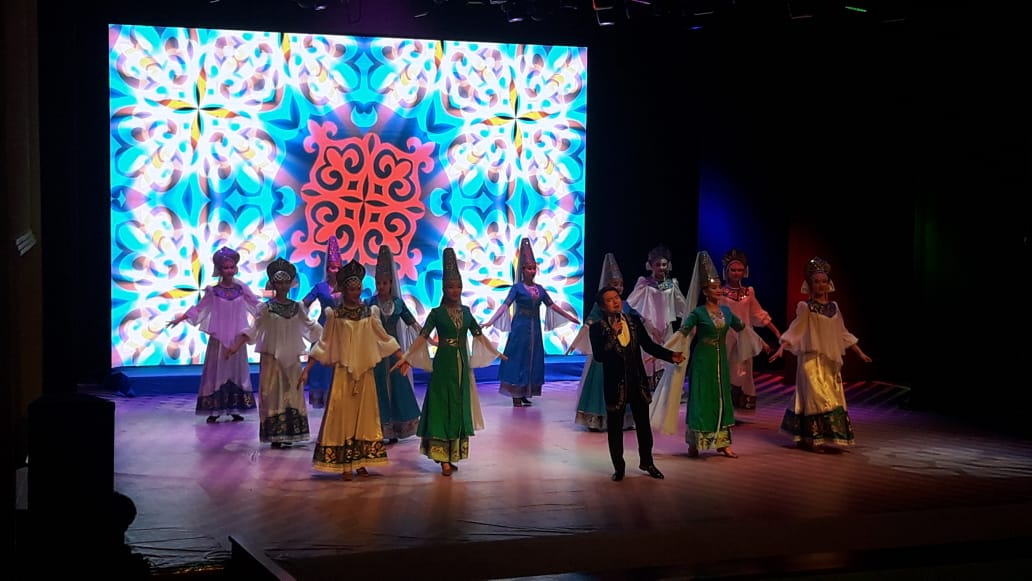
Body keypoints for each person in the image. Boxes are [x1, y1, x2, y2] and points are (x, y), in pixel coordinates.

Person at [394, 247, 506, 476]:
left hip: (462, 368)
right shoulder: (436, 313)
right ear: (444, 289)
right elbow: (422, 337)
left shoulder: (466, 312)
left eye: (458, 287)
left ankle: (451, 454)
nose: (455, 290)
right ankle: (442, 457)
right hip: (443, 366)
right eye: (451, 287)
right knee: (441, 406)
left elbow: (478, 335)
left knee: (458, 405)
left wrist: (496, 353)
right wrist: (407, 357)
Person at [299, 259, 406, 480]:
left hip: (364, 373)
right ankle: (345, 463)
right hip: (343, 374)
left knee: (365, 416)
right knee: (342, 415)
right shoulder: (335, 315)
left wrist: (401, 357)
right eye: (351, 289)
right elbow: (324, 344)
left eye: (358, 289)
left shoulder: (369, 312)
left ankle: (361, 461)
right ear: (343, 290)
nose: (355, 293)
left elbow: (383, 337)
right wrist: (307, 368)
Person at [769, 256, 872, 453]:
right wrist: (782, 347)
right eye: (816, 281)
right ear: (810, 284)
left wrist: (860, 353)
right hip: (810, 360)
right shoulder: (806, 307)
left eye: (824, 281)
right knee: (815, 396)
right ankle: (814, 439)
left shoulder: (834, 308)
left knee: (828, 397)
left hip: (829, 362)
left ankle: (805, 435)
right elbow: (796, 330)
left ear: (829, 283)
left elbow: (843, 333)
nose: (821, 285)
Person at [651, 251, 745, 459]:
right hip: (703, 361)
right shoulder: (698, 313)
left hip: (721, 361)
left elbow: (743, 329)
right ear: (704, 291)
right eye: (713, 287)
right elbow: (682, 333)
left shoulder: (726, 312)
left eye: (719, 287)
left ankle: (723, 443)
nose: (718, 290)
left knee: (722, 397)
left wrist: (765, 343)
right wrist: (662, 352)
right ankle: (695, 442)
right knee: (702, 398)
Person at [589, 285, 684, 481]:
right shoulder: (597, 328)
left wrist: (670, 355)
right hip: (615, 386)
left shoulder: (633, 321)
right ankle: (619, 467)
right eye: (609, 300)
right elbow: (599, 356)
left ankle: (647, 462)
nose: (615, 302)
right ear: (603, 306)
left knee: (643, 426)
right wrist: (612, 334)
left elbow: (648, 345)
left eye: (616, 297)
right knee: (615, 429)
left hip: (637, 382)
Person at [227, 258, 321, 448]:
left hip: (292, 359)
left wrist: (331, 336)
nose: (283, 286)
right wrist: (236, 346)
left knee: (292, 392)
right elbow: (254, 329)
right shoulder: (266, 308)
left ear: (291, 283)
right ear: (273, 284)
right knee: (271, 393)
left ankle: (291, 432)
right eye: (279, 282)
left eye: (286, 282)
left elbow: (311, 327)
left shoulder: (297, 307)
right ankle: (275, 434)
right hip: (271, 359)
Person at [167, 246, 260, 423]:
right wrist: (180, 318)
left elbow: (257, 305)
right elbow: (199, 309)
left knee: (236, 372)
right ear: (219, 270)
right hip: (218, 340)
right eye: (225, 267)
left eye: (232, 267)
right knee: (217, 372)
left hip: (237, 339)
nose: (229, 270)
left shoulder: (241, 289)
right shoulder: (213, 291)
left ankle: (235, 408)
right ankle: (215, 409)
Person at [484, 237, 580, 407]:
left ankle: (525, 391)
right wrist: (491, 320)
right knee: (517, 357)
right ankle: (515, 393)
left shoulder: (540, 289)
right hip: (520, 328)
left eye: (534, 268)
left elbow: (552, 305)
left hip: (535, 329)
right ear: (523, 270)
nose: (532, 271)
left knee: (532, 358)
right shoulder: (517, 288)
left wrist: (570, 317)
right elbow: (505, 305)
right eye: (529, 268)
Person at [569, 253, 636, 431]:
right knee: (600, 382)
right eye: (614, 284)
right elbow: (589, 324)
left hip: (622, 351)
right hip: (604, 350)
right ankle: (598, 418)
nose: (619, 288)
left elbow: (636, 323)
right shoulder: (600, 306)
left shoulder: (625, 305)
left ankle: (624, 419)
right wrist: (576, 342)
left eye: (620, 284)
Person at [366, 244, 423, 444]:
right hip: (376, 351)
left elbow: (411, 322)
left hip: (395, 351)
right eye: (378, 283)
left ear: (391, 283)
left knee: (398, 385)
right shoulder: (370, 303)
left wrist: (427, 336)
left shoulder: (398, 303)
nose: (381, 286)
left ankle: (398, 427)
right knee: (378, 386)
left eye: (384, 283)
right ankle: (381, 427)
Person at [719, 248, 782, 410]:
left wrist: (776, 332)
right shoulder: (720, 293)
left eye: (740, 270)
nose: (736, 273)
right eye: (733, 270)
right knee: (726, 368)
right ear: (726, 271)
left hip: (745, 336)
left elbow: (759, 314)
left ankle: (741, 400)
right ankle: (724, 403)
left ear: (745, 271)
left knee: (744, 368)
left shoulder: (748, 293)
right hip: (726, 336)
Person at [625, 244, 691, 390]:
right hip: (649, 325)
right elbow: (634, 305)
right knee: (648, 352)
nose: (661, 267)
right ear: (651, 266)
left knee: (667, 351)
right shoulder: (644, 283)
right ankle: (647, 384)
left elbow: (681, 304)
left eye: (664, 264)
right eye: (658, 264)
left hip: (666, 326)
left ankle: (665, 385)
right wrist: (649, 326)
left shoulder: (671, 284)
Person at [300, 236, 343, 409]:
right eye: (332, 267)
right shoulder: (320, 287)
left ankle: (341, 396)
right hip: (324, 328)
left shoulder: (346, 286)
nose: (335, 270)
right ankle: (324, 397)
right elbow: (305, 303)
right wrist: (306, 322)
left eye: (338, 267)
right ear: (327, 269)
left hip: (342, 328)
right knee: (321, 363)